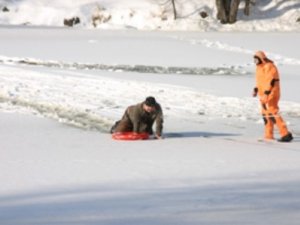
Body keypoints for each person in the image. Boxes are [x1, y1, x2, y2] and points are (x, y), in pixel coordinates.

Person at [252, 51, 293, 142]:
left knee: (272, 113)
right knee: (265, 114)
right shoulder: (259, 68)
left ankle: (285, 134)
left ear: (261, 58)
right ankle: (268, 134)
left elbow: (271, 81)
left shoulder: (269, 66)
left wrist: (267, 93)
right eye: (254, 60)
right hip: (263, 94)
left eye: (256, 59)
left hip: (271, 93)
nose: (255, 61)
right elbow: (260, 81)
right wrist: (256, 89)